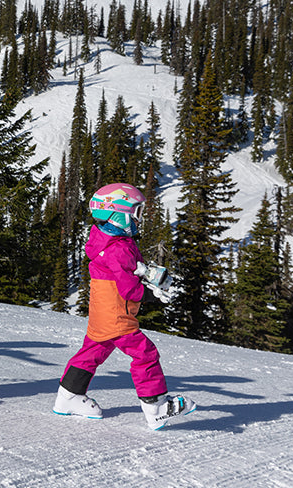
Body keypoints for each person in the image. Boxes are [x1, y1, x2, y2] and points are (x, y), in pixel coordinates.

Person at [52, 183, 195, 430]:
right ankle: (157, 407)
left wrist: (144, 272)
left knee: (93, 351)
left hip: (103, 313)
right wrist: (151, 293)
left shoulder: (108, 241)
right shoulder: (117, 248)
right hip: (116, 315)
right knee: (144, 353)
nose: (139, 220)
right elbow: (129, 289)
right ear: (118, 214)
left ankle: (68, 397)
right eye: (136, 213)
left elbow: (126, 271)